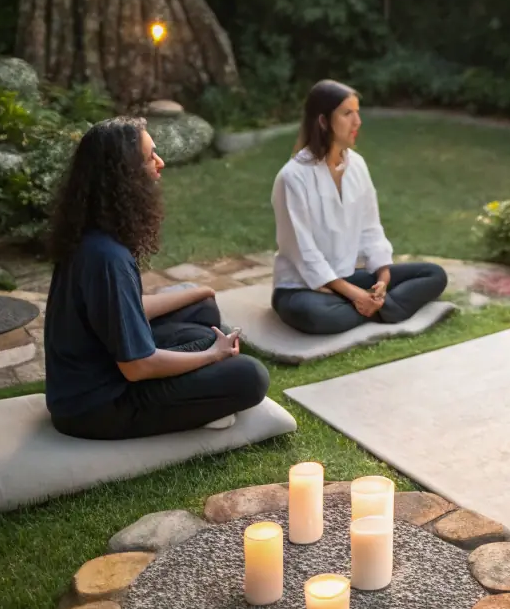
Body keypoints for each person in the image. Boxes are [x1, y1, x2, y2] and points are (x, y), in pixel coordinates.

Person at [44, 119, 269, 440]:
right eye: (150, 156)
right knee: (250, 375)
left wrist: (198, 291)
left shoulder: (91, 236)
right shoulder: (107, 258)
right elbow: (136, 367)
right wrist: (211, 356)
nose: (160, 162)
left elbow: (124, 312)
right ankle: (200, 406)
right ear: (123, 173)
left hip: (96, 376)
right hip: (97, 407)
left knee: (201, 310)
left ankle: (200, 384)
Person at [271, 80, 447, 335]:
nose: (357, 122)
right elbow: (304, 253)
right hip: (303, 288)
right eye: (347, 113)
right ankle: (385, 308)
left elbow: (370, 229)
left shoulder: (358, 165)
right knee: (317, 315)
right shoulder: (293, 177)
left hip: (348, 277)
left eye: (357, 112)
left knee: (433, 274)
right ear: (322, 121)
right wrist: (355, 294)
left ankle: (372, 305)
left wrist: (383, 279)